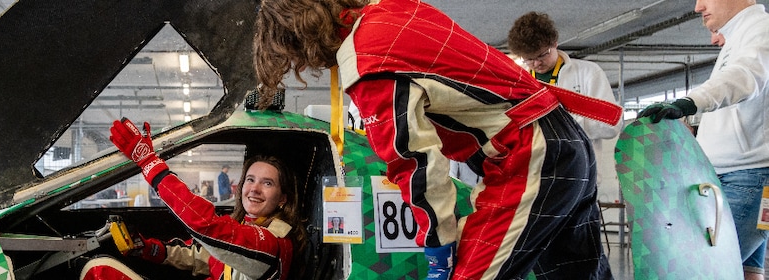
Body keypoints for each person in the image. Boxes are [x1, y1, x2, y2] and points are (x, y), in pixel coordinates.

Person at [252, 0, 620, 279]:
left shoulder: (367, 64)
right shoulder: (395, 9)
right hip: (566, 141)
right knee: (576, 272)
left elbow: (413, 161)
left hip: (530, 153)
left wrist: (437, 245)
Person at [637, 1, 769, 279]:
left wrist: (690, 102)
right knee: (745, 271)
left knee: (702, 272)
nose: (698, 7)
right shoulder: (741, 34)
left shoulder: (761, 29)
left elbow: (745, 77)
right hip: (738, 175)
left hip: (751, 176)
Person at [79, 119, 303, 280]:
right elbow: (201, 256)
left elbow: (206, 225)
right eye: (250, 180)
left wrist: (149, 163)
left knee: (99, 271)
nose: (254, 189)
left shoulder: (272, 243)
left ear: (283, 198)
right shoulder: (247, 228)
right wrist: (148, 249)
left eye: (267, 183)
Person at [507, 12, 624, 199]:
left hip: (580, 179)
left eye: (542, 55)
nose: (536, 63)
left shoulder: (588, 73)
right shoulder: (519, 80)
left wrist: (563, 125)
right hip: (534, 179)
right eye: (528, 58)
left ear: (555, 43)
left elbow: (611, 125)